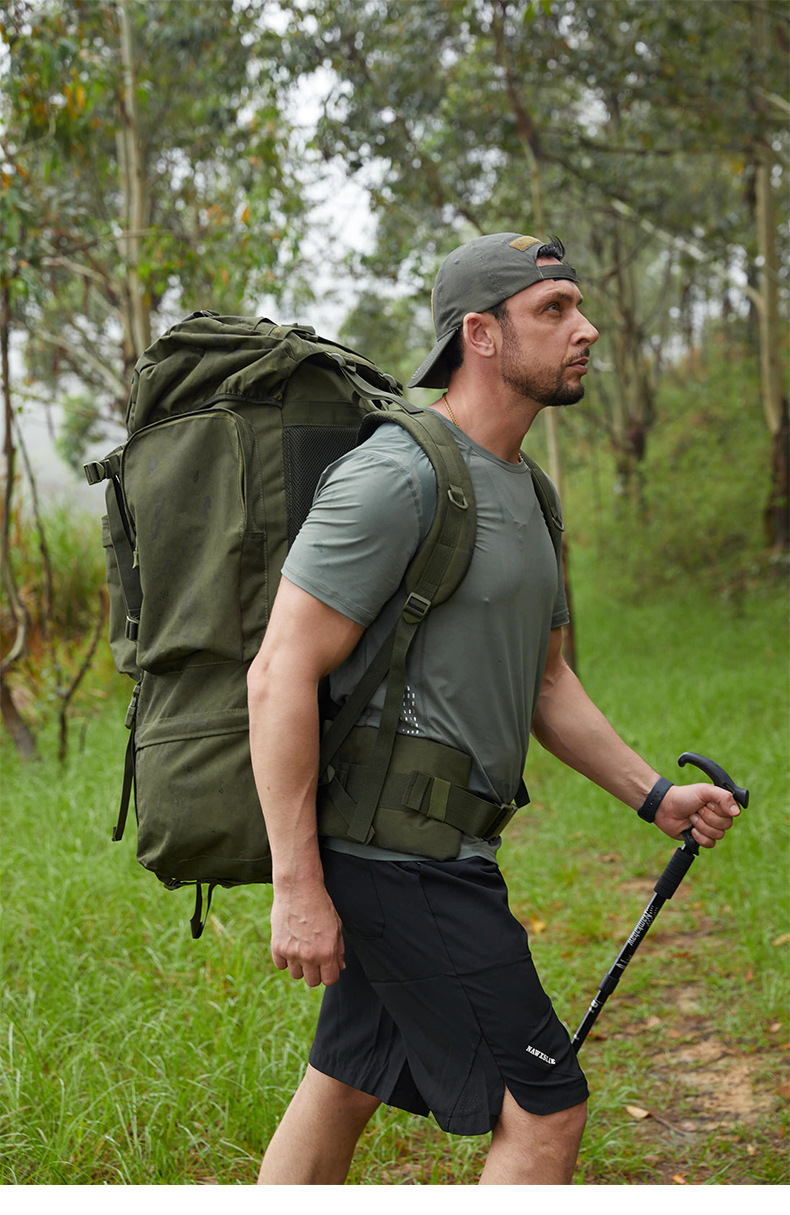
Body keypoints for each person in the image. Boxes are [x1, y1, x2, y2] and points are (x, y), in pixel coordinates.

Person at [247, 232, 741, 1185]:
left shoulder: (531, 492)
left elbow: (547, 682)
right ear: (479, 333)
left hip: (445, 846)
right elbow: (278, 672)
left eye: (578, 305)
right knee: (548, 1109)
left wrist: (653, 796)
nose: (585, 328)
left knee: (345, 1079)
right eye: (553, 309)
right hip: (400, 862)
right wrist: (296, 885)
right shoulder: (395, 476)